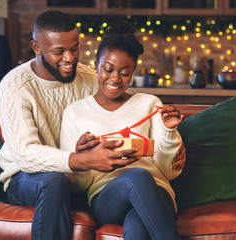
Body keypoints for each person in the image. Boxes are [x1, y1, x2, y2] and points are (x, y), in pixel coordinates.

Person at [0, 10, 186, 240]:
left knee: (135, 216)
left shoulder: (89, 76)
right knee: (54, 181)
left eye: (74, 48)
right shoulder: (15, 87)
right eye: (59, 51)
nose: (69, 58)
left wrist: (170, 139)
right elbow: (26, 154)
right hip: (26, 173)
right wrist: (83, 159)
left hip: (77, 172)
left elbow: (120, 97)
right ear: (36, 47)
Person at [60, 21, 183, 240]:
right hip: (107, 198)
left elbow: (170, 171)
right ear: (96, 64)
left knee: (137, 223)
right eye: (108, 70)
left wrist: (168, 132)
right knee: (136, 175)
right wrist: (82, 158)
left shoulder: (150, 104)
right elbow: (76, 188)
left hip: (157, 192)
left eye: (125, 73)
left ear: (134, 71)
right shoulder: (75, 112)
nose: (115, 79)